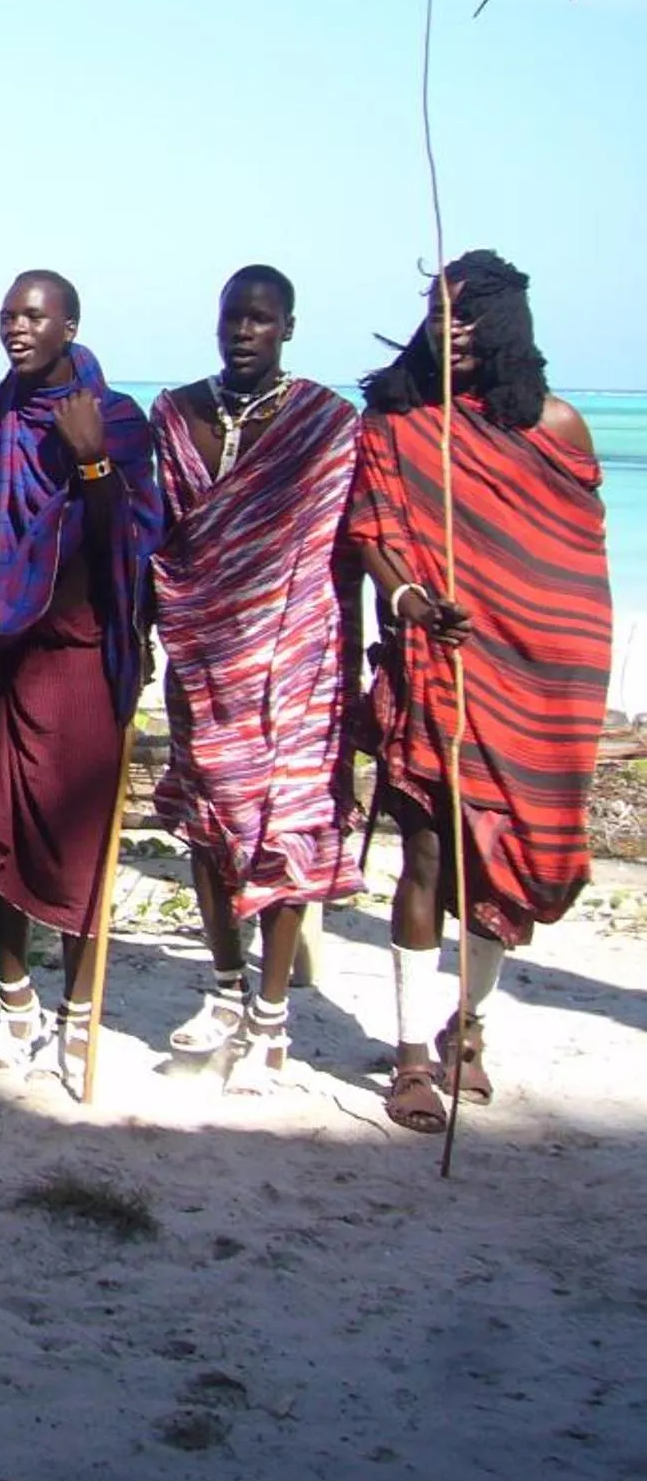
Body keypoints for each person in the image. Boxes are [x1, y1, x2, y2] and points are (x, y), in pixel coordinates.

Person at [350, 253, 611, 1134]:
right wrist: (410, 598)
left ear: (507, 325)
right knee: (424, 854)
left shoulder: (559, 430)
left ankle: (468, 1026)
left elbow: (574, 579)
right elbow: (371, 534)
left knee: (501, 859)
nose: (448, 328)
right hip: (432, 668)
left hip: (529, 683)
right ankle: (412, 1057)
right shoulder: (395, 425)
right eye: (436, 312)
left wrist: (546, 664)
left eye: (468, 315)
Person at [147, 268, 363, 1095]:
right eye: (233, 319)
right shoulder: (177, 414)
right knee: (208, 826)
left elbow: (347, 544)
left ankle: (272, 1019)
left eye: (261, 321)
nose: (244, 333)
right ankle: (225, 989)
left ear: (288, 329)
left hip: (295, 659)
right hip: (201, 650)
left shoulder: (325, 422)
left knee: (286, 826)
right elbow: (159, 529)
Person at [0, 272, 163, 1096]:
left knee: (83, 843)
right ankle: (15, 1005)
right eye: (8, 314)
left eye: (34, 315)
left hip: (82, 648)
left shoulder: (115, 419)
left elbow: (133, 540)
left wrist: (92, 463)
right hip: (1, 648)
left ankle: (79, 1011)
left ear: (69, 325)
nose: (16, 327)